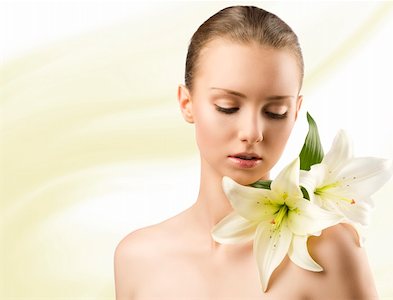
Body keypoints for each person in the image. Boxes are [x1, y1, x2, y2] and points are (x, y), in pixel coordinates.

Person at [114, 5, 379, 299]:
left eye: (276, 112)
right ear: (187, 103)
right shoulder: (137, 258)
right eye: (228, 107)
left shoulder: (330, 249)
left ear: (295, 112)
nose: (253, 132)